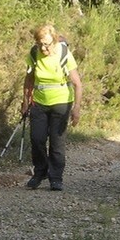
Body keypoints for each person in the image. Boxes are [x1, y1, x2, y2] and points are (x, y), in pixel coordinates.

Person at [21, 24, 83, 192]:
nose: (43, 47)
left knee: (57, 143)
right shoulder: (34, 54)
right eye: (40, 43)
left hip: (61, 103)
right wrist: (25, 102)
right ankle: (40, 172)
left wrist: (76, 109)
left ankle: (56, 178)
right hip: (39, 103)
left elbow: (77, 84)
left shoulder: (64, 54)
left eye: (47, 43)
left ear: (54, 40)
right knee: (37, 139)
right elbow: (28, 80)